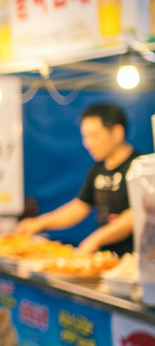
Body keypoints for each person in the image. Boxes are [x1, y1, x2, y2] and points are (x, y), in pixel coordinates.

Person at [15, 102, 140, 256]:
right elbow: (80, 207)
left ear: (117, 132)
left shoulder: (141, 167)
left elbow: (137, 213)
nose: (88, 143)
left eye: (94, 135)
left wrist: (96, 239)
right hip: (107, 258)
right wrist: (39, 223)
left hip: (136, 259)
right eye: (85, 136)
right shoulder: (98, 169)